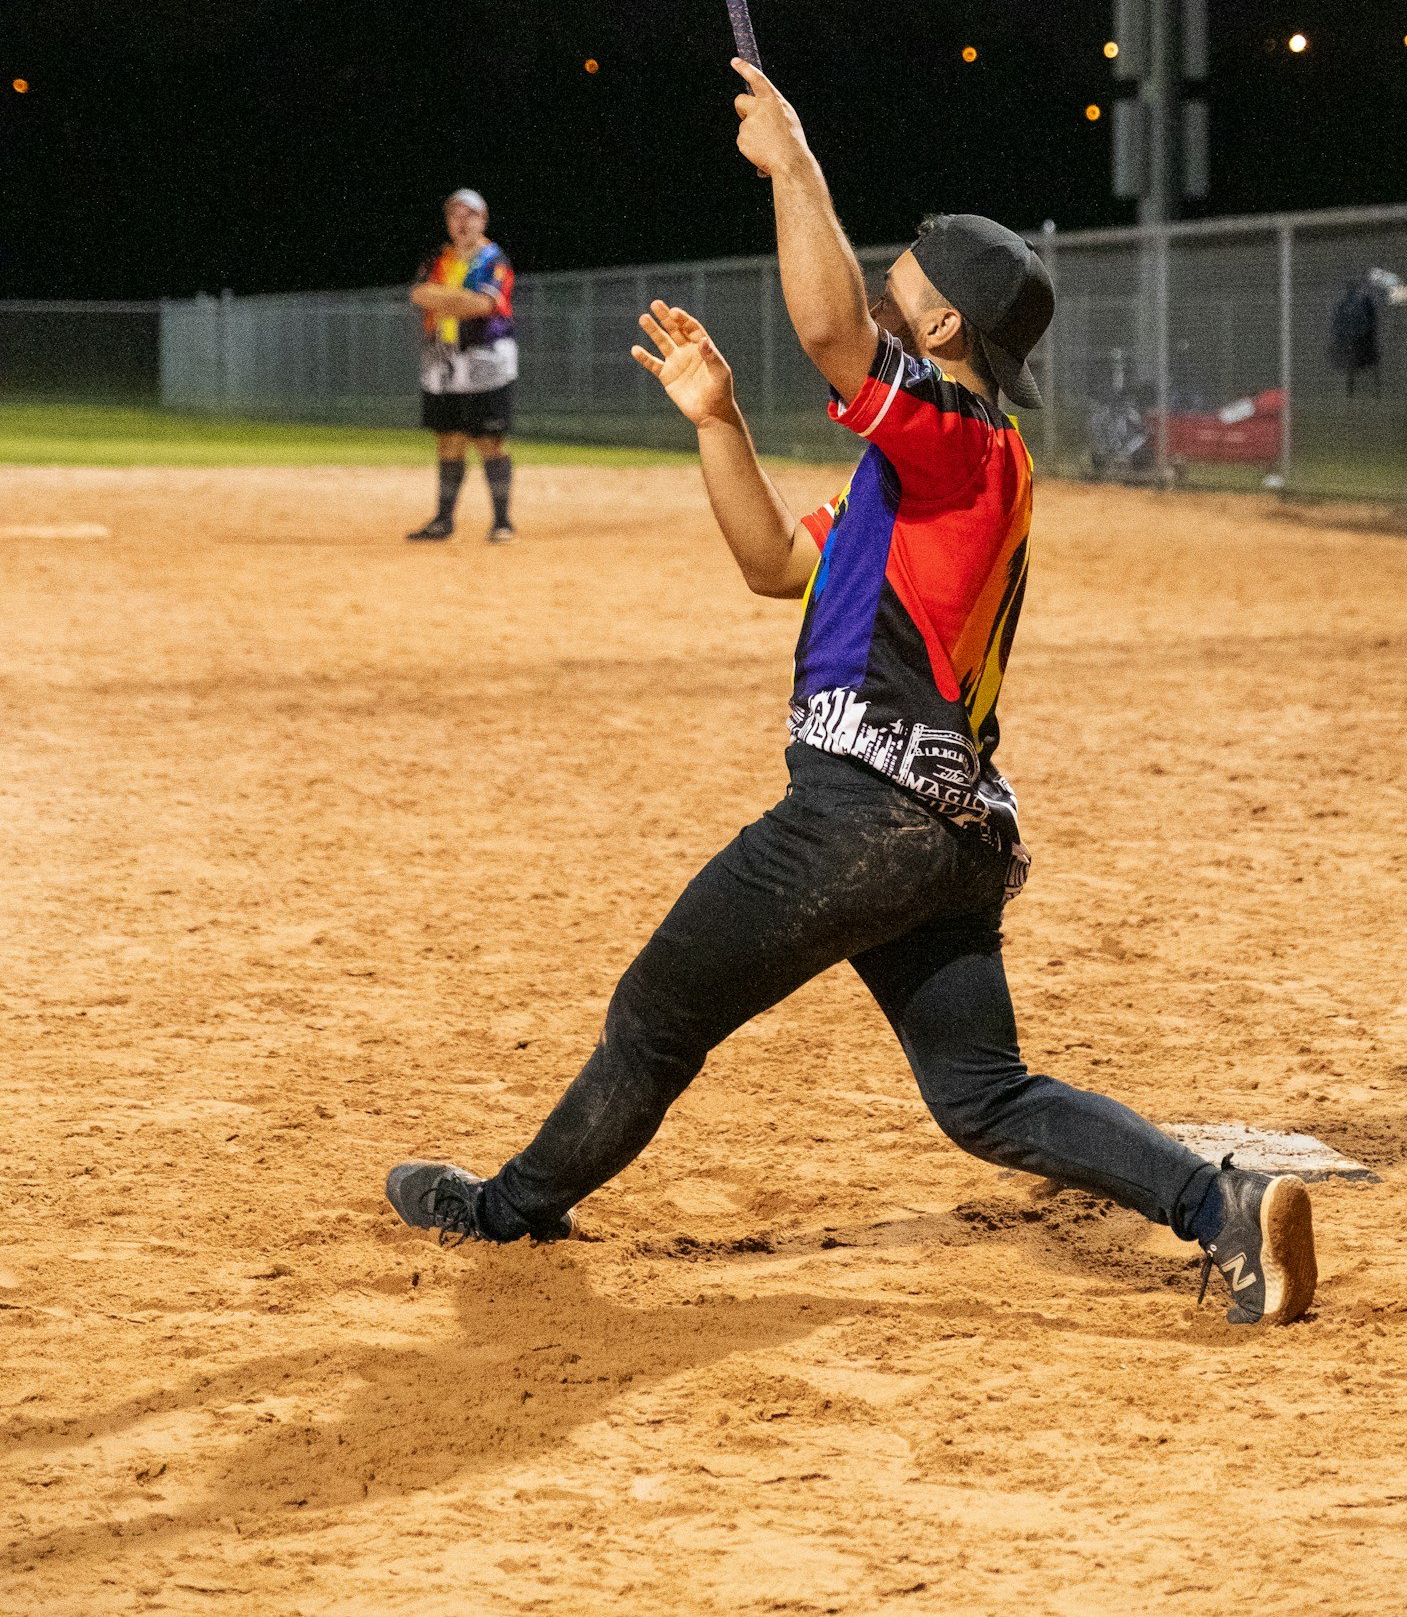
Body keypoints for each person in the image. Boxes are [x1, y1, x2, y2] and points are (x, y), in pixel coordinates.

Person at [386, 68, 1317, 1326]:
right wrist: (717, 420)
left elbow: (833, 338)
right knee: (983, 1094)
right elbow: (775, 565)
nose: (890, 278)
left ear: (941, 333)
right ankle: (1222, 1206)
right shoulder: (926, 467)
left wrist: (796, 166)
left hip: (860, 812)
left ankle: (508, 1207)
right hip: (937, 829)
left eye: (910, 277)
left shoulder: (957, 436)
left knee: (654, 1015)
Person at [406, 189, 518, 542]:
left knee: (488, 440)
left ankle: (502, 522)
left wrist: (444, 300)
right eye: (456, 215)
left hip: (486, 361)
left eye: (470, 215)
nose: (462, 222)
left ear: (483, 220)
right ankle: (443, 521)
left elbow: (485, 305)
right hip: (443, 362)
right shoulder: (438, 258)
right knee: (449, 440)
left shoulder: (494, 258)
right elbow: (418, 294)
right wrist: (459, 300)